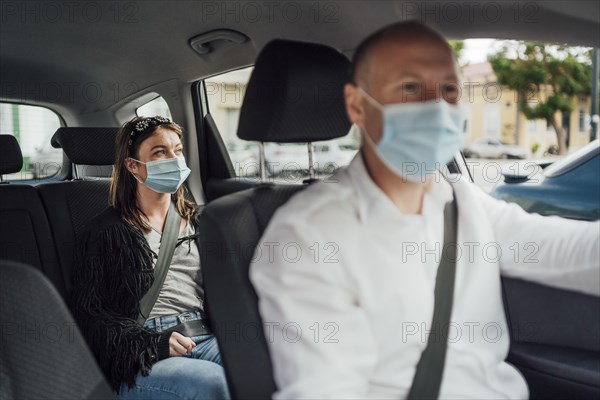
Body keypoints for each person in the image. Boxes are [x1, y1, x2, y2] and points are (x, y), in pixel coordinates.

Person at [249, 21, 600, 399]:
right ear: (357, 105)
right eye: (410, 87)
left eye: (449, 89)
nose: (435, 105)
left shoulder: (461, 199)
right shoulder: (308, 236)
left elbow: (566, 250)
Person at [70, 116, 229, 399]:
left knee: (261, 368)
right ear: (133, 166)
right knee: (212, 382)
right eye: (160, 152)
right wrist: (152, 344)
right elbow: (90, 317)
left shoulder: (202, 222)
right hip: (140, 353)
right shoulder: (104, 233)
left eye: (177, 150)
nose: (174, 159)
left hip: (204, 334)